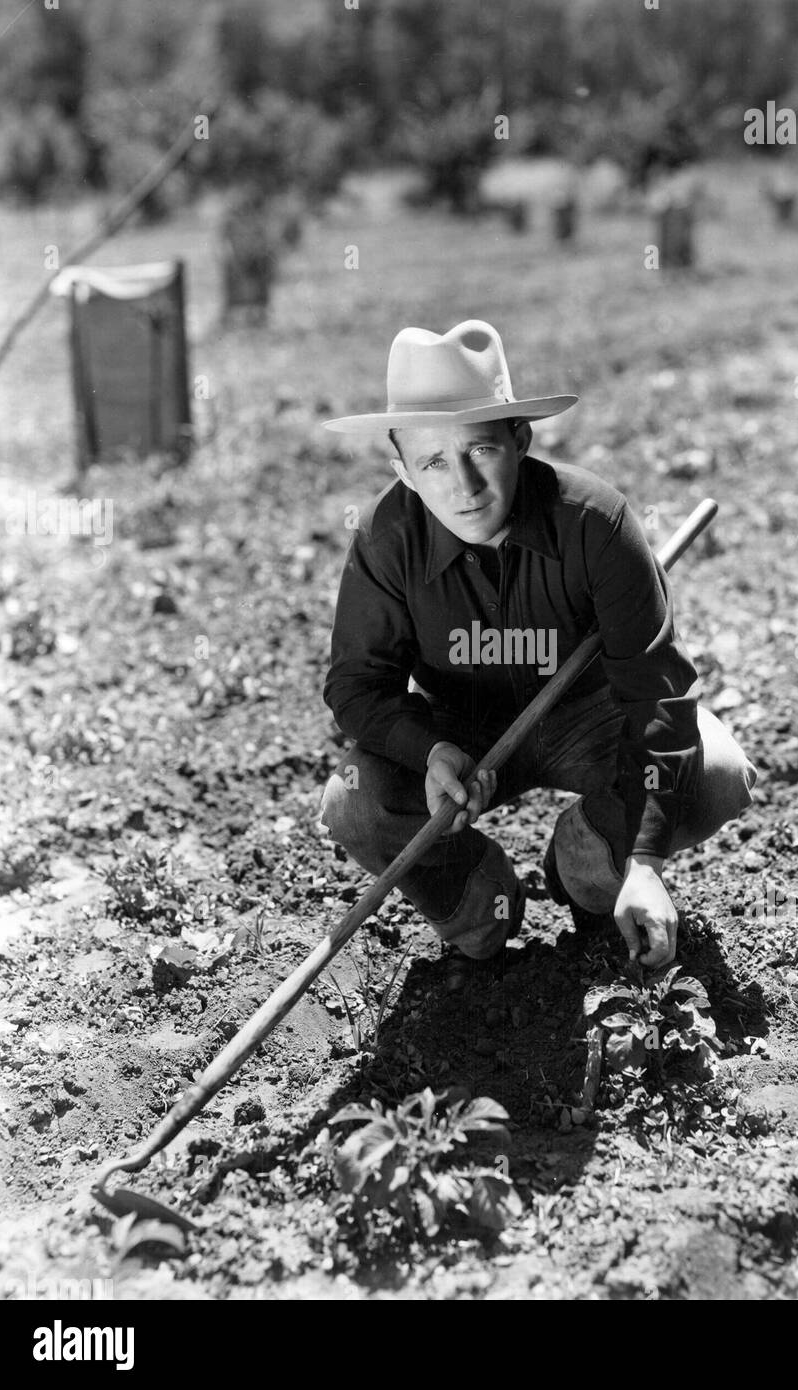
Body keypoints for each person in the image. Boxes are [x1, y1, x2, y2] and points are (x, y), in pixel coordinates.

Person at [319, 320, 756, 986]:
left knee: (719, 770)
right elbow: (357, 687)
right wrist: (429, 750)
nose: (463, 485)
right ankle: (480, 902)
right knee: (352, 801)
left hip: (593, 719)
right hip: (462, 735)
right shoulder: (386, 540)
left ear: (520, 439)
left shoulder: (596, 521)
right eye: (433, 461)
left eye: (481, 450)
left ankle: (586, 862)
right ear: (401, 467)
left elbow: (657, 694)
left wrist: (640, 861)